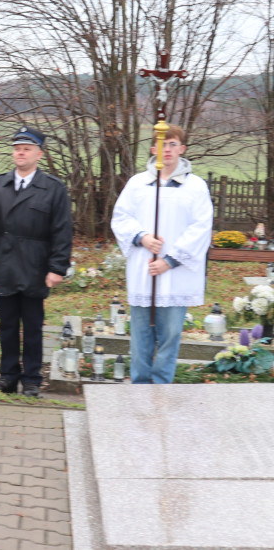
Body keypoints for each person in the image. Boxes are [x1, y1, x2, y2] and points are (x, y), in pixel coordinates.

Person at [0, 127, 72, 398]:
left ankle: (31, 379)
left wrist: (57, 267)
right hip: (4, 265)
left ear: (39, 153)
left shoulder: (53, 188)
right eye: (17, 147)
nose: (20, 152)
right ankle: (7, 376)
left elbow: (62, 231)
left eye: (27, 148)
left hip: (34, 267)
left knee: (32, 327)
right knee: (6, 326)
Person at [111, 124, 212, 384]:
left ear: (182, 149)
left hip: (175, 275)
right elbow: (121, 217)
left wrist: (170, 260)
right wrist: (142, 237)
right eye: (161, 144)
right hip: (144, 272)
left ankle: (161, 389)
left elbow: (201, 228)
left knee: (169, 338)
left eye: (172, 144)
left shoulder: (195, 187)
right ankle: (140, 387)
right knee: (141, 337)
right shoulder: (138, 184)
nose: (166, 150)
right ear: (153, 148)